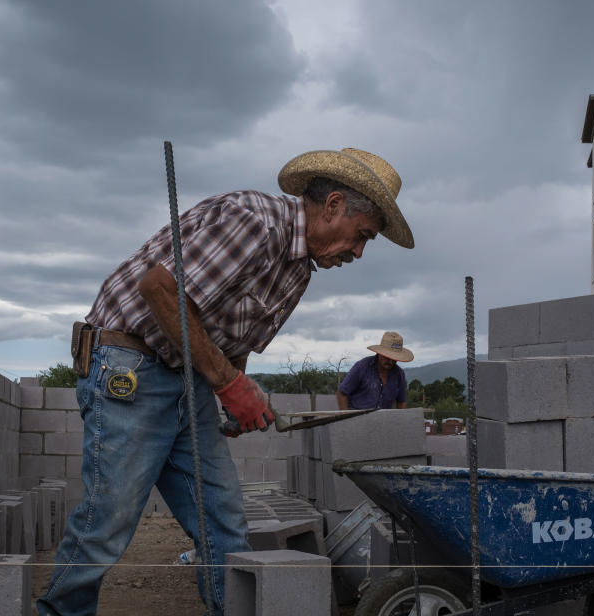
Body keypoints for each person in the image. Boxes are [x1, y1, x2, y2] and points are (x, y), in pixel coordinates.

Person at [37, 148, 414, 616]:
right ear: (334, 205)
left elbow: (235, 344)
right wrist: (227, 385)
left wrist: (234, 396)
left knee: (223, 522)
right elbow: (158, 287)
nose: (358, 253)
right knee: (107, 521)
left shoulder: (297, 272)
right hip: (130, 366)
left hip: (185, 380)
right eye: (362, 237)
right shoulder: (253, 221)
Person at [336, 331, 414, 411]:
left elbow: (401, 402)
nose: (390, 361)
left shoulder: (399, 374)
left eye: (394, 359)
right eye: (387, 357)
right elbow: (342, 393)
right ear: (380, 353)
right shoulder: (362, 367)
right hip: (357, 419)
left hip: (383, 421)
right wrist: (346, 418)